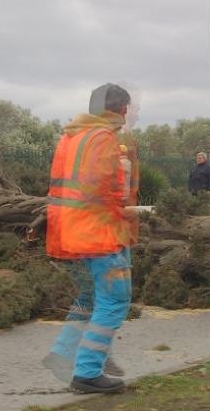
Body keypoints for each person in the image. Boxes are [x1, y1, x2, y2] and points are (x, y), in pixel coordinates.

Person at [43, 83, 138, 394]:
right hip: (98, 233)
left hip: (68, 232)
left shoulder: (71, 136)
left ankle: (62, 354)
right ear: (120, 109)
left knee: (88, 298)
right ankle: (87, 371)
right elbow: (107, 190)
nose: (127, 116)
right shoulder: (103, 139)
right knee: (114, 300)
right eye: (126, 109)